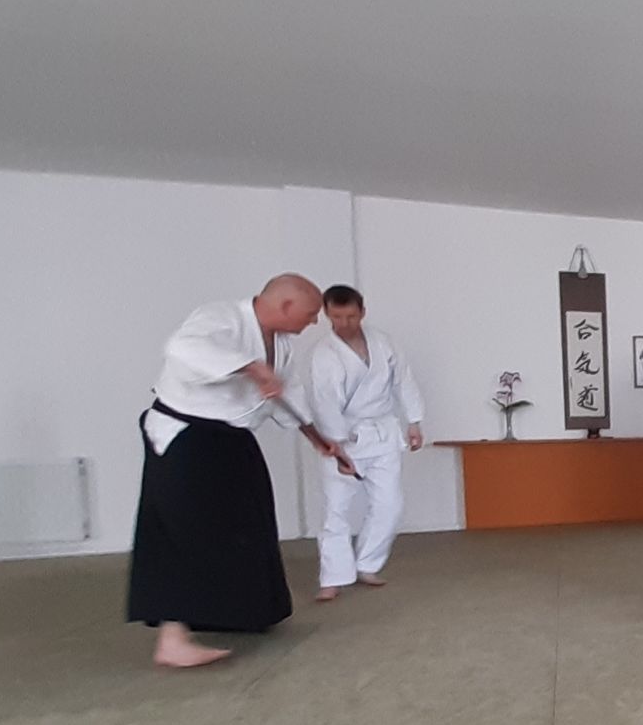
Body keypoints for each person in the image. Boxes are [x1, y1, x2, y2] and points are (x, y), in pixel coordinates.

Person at [127, 274, 356, 668]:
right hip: (185, 437)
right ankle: (172, 638)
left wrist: (319, 439)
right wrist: (251, 367)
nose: (314, 321)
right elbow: (183, 348)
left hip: (231, 439)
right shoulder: (220, 317)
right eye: (310, 313)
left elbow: (289, 394)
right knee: (185, 530)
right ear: (286, 306)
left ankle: (236, 613)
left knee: (249, 523)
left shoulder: (281, 345)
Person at [308, 285, 426, 602]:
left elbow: (403, 380)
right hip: (344, 437)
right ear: (326, 314)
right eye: (336, 317)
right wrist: (336, 445)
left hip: (383, 431)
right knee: (336, 508)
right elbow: (324, 402)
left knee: (390, 504)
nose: (343, 323)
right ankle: (333, 577)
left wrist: (414, 421)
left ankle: (367, 564)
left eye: (350, 316)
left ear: (362, 312)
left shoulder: (383, 342)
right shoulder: (324, 353)